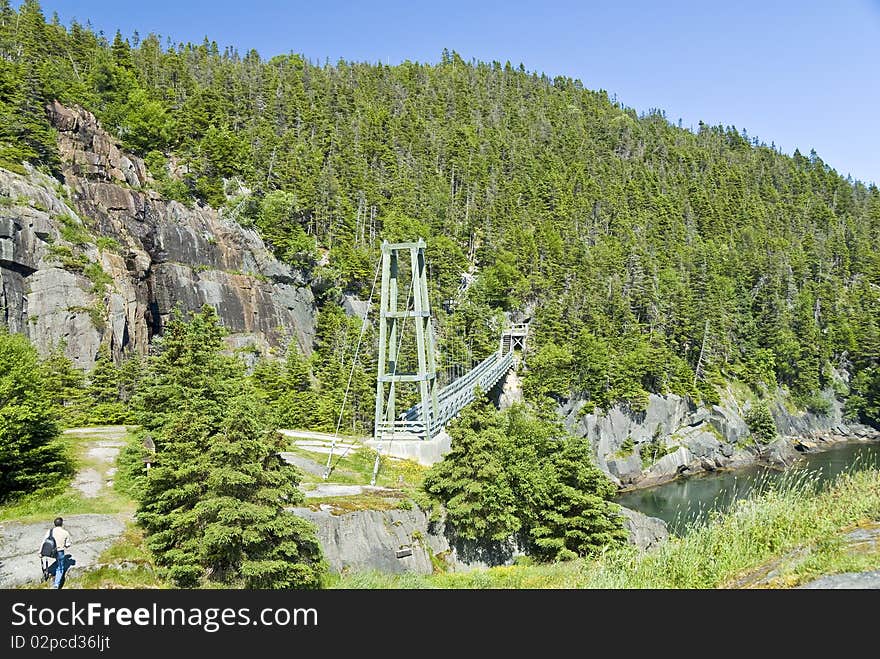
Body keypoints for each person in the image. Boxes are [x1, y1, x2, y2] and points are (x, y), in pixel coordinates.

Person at [44, 517, 72, 589]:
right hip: (60, 551)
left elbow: (44, 542)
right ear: (62, 523)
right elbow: (67, 545)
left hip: (51, 552)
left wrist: (40, 553)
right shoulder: (65, 532)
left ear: (54, 524)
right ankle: (56, 585)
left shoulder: (50, 531)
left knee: (57, 561)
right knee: (60, 568)